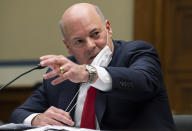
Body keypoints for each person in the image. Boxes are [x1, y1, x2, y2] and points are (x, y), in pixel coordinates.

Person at [9, 3, 175, 130]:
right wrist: (37, 119)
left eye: (95, 34)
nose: (90, 46)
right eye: (79, 41)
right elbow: (18, 113)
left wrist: (89, 73)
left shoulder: (138, 52)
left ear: (108, 29)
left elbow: (143, 82)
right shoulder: (63, 72)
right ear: (68, 46)